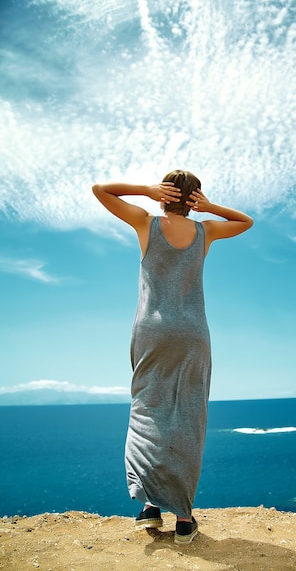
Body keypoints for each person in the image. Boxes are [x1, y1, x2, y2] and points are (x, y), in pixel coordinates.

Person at [92, 169, 253, 544]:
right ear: (194, 196)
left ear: (164, 195)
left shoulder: (144, 222)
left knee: (147, 410)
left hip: (151, 331)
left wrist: (144, 191)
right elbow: (246, 221)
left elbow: (101, 189)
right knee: (188, 414)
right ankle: (183, 518)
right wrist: (209, 207)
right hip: (193, 334)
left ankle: (149, 508)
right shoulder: (205, 231)